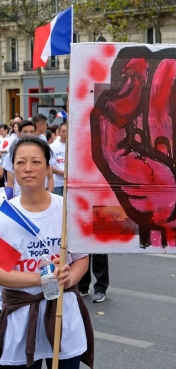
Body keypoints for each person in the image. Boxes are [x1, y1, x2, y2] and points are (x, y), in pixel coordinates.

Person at [0, 136, 94, 368]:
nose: (28, 168)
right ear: (12, 166)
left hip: (63, 312)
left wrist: (70, 276)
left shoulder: (65, 209)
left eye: (36, 162)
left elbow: (81, 258)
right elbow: (3, 272)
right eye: (21, 162)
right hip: (20, 318)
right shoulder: (5, 215)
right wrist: (44, 279)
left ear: (48, 167)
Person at [50, 123, 67, 196]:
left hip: (71, 183)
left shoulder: (73, 146)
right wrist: (62, 173)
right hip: (58, 183)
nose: (65, 134)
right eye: (63, 131)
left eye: (67, 131)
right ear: (58, 132)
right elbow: (50, 166)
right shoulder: (53, 147)